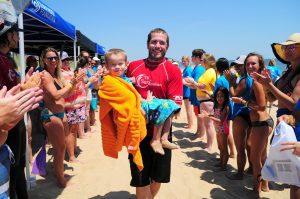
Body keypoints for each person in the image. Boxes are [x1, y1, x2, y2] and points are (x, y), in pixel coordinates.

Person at [126, 28, 183, 199]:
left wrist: (152, 109)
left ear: (167, 46)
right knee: (140, 178)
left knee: (158, 178)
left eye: (161, 42)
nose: (157, 45)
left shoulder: (173, 70)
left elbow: (175, 106)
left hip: (162, 132)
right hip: (137, 131)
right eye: (154, 41)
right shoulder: (133, 66)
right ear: (147, 44)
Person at [101, 48, 180, 156]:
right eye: (113, 65)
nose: (117, 67)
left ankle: (164, 138)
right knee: (164, 107)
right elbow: (126, 98)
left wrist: (142, 98)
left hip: (139, 104)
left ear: (126, 64)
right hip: (136, 109)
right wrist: (144, 101)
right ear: (107, 66)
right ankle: (156, 140)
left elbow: (133, 93)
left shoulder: (123, 79)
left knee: (171, 105)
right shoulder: (110, 81)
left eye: (120, 64)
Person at [0, 16, 43, 199]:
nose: (18, 38)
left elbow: (11, 91)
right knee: (12, 170)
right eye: (16, 34)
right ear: (7, 35)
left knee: (18, 167)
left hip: (13, 123)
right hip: (5, 126)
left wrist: (25, 88)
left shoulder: (7, 59)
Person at [40, 47, 84, 187]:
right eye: (49, 58)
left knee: (62, 146)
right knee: (59, 148)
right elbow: (56, 95)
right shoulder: (45, 75)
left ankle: (58, 172)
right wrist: (72, 83)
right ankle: (60, 180)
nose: (53, 60)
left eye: (55, 58)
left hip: (60, 113)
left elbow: (66, 94)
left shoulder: (56, 75)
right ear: (44, 60)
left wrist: (75, 82)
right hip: (49, 114)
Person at [232, 53, 273, 197]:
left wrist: (243, 102)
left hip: (260, 123)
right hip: (264, 122)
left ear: (260, 65)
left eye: (253, 63)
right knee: (262, 155)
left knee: (255, 159)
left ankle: (256, 191)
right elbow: (269, 100)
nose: (250, 66)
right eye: (248, 64)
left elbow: (261, 106)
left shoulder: (257, 82)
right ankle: (266, 185)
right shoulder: (261, 79)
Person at [224, 55, 253, 180]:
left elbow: (234, 94)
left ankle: (239, 173)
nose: (237, 67)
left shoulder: (244, 79)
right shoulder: (253, 78)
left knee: (240, 147)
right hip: (252, 112)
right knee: (250, 145)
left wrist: (230, 82)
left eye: (240, 65)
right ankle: (252, 168)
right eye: (236, 65)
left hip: (242, 113)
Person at [185, 53, 217, 152]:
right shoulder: (207, 71)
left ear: (207, 62)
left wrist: (192, 81)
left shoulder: (210, 71)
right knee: (207, 124)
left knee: (209, 124)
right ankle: (208, 144)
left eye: (203, 60)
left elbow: (202, 86)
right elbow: (199, 86)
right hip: (204, 100)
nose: (201, 62)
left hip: (207, 100)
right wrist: (189, 84)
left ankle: (209, 146)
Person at [60, 51, 87, 162]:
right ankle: (71, 156)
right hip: (71, 106)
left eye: (67, 59)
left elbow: (80, 86)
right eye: (63, 60)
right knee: (70, 132)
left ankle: (73, 150)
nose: (66, 62)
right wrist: (76, 82)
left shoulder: (69, 71)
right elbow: (68, 91)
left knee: (74, 130)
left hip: (78, 105)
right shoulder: (60, 74)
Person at [199, 86, 230, 170]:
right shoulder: (217, 104)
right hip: (218, 129)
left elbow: (220, 120)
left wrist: (208, 115)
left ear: (226, 97)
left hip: (223, 129)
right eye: (218, 96)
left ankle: (223, 166)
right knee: (220, 147)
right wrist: (207, 92)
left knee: (224, 148)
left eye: (222, 96)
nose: (219, 98)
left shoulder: (225, 107)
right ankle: (221, 162)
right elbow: (213, 97)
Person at [183, 49, 206, 137]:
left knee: (200, 116)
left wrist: (185, 83)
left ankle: (200, 134)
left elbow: (197, 84)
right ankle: (198, 132)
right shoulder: (196, 68)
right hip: (196, 95)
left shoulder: (199, 69)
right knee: (197, 114)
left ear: (197, 57)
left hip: (199, 96)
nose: (191, 58)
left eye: (192, 56)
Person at [181, 55, 194, 129]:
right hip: (185, 91)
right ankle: (190, 123)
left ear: (188, 62)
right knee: (187, 109)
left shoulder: (188, 69)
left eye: (185, 61)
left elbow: (189, 80)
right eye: (182, 61)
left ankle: (190, 125)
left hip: (187, 92)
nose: (183, 62)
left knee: (188, 109)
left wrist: (182, 80)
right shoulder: (186, 69)